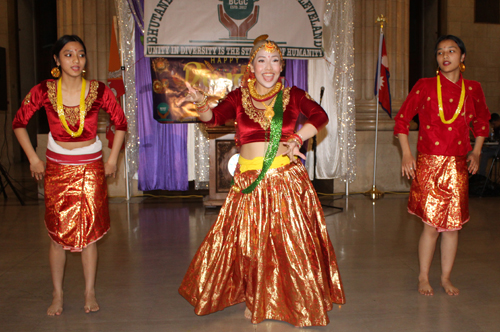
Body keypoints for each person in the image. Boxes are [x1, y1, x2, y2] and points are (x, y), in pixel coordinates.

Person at [178, 35, 345, 327]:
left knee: (288, 244)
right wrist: (201, 103)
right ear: (252, 67)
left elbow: (320, 115)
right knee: (251, 244)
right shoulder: (238, 97)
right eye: (262, 61)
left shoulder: (293, 94)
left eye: (275, 61)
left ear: (282, 67)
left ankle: (294, 296)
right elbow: (214, 119)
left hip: (284, 179)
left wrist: (297, 137)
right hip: (249, 182)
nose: (269, 67)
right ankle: (257, 296)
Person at [12, 35, 127, 315]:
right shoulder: (43, 90)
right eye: (68, 54)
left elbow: (121, 123)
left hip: (91, 169)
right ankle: (58, 294)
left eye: (80, 54)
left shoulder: (99, 90)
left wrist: (111, 159)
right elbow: (19, 122)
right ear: (56, 60)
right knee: (56, 236)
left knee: (90, 235)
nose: (76, 60)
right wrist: (33, 159)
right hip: (57, 170)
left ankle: (89, 292)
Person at [394, 35, 490, 296]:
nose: (445, 56)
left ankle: (446, 277)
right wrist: (406, 154)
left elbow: (482, 123)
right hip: (428, 164)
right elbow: (402, 121)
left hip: (458, 165)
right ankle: (423, 277)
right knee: (431, 227)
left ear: (462, 57)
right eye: (439, 52)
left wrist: (477, 152)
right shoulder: (425, 85)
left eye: (451, 50)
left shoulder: (473, 89)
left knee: (452, 227)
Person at [478, 112, 500, 177]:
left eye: (494, 124)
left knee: (485, 153)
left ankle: (482, 175)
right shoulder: (496, 129)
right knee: (484, 152)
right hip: (496, 147)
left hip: (498, 149)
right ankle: (481, 175)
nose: (493, 126)